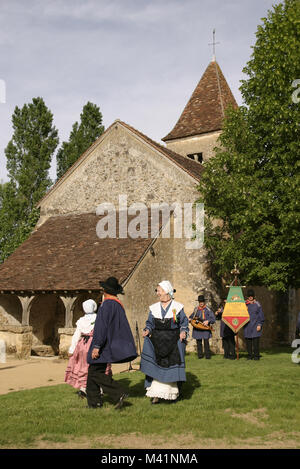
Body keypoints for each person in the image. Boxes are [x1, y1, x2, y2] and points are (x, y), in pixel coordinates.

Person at [86, 277, 137, 409]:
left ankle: (118, 392)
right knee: (93, 372)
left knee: (95, 373)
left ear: (105, 291)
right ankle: (94, 403)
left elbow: (101, 327)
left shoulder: (107, 305)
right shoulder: (117, 304)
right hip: (109, 343)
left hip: (104, 345)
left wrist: (97, 346)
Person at [140, 281, 189, 404]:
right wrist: (147, 330)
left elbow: (183, 323)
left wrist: (183, 332)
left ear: (167, 291)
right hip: (157, 341)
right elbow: (150, 323)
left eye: (159, 291)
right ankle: (156, 395)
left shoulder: (177, 307)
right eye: (157, 291)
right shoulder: (154, 308)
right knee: (157, 366)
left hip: (172, 342)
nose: (157, 293)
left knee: (171, 365)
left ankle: (171, 395)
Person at [65, 299, 112, 399]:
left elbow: (76, 335)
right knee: (98, 367)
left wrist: (71, 349)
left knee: (83, 367)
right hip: (95, 345)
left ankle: (83, 388)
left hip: (83, 346)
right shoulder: (98, 318)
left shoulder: (81, 321)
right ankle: (99, 389)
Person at [189, 295, 215, 359]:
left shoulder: (208, 310)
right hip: (197, 328)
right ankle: (200, 356)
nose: (201, 303)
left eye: (202, 301)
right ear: (198, 302)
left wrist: (208, 321)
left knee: (206, 342)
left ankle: (207, 356)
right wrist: (190, 319)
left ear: (204, 302)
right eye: (200, 301)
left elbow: (213, 319)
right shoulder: (196, 309)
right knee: (198, 342)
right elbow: (192, 316)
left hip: (205, 328)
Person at [243, 289, 265, 360]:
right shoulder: (244, 304)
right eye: (249, 296)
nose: (250, 297)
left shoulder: (257, 304)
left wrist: (259, 324)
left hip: (256, 325)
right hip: (247, 326)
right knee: (248, 342)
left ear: (253, 296)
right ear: (247, 297)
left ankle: (256, 356)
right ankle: (249, 356)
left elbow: (261, 315)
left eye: (251, 296)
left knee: (256, 342)